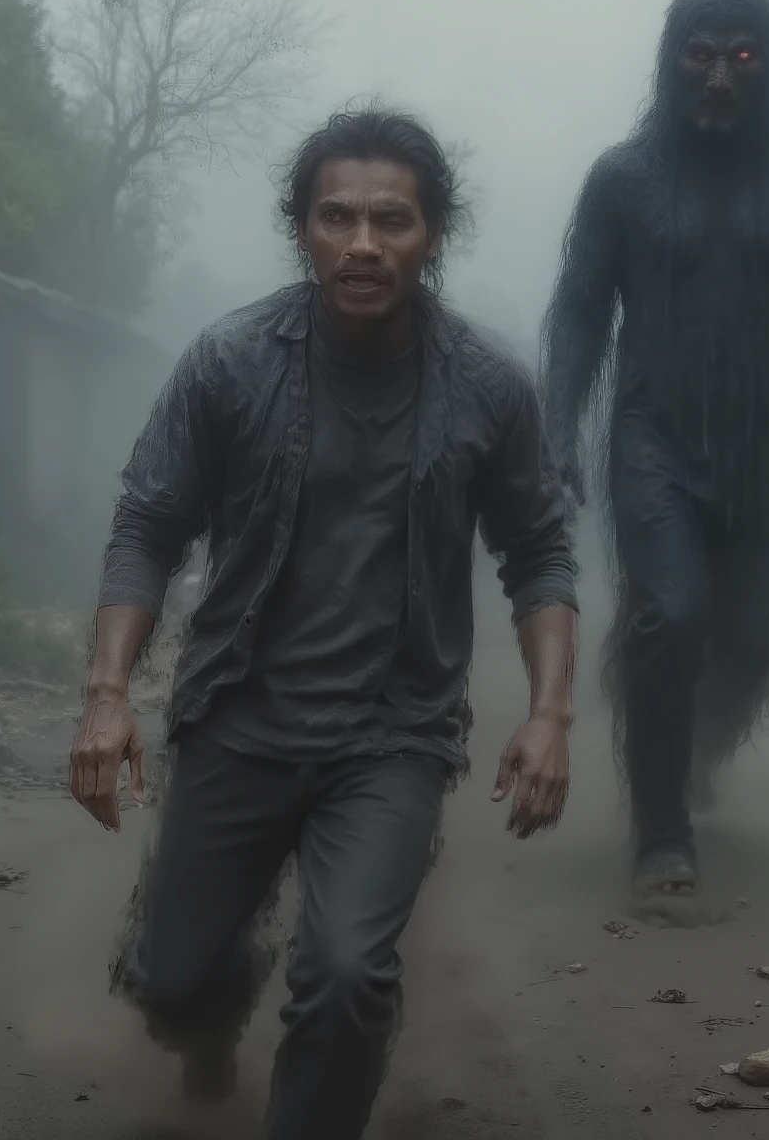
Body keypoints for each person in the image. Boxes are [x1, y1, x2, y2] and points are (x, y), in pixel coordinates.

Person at [69, 106, 579, 1140]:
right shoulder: (229, 363)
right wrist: (108, 695)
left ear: (433, 233)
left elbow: (538, 550)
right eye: (336, 216)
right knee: (172, 981)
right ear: (300, 227)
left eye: (391, 219)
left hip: (391, 734)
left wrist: (549, 714)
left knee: (347, 971)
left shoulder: (487, 386)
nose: (362, 243)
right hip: (237, 716)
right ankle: (209, 1011)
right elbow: (148, 526)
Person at [540, 0, 769, 916]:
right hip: (653, 431)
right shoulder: (623, 179)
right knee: (672, 612)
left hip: (762, 443)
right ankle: (661, 835)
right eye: (701, 55)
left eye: (743, 56)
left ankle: (688, 750)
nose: (720, 77)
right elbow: (579, 310)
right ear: (671, 63)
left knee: (752, 643)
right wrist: (558, 428)